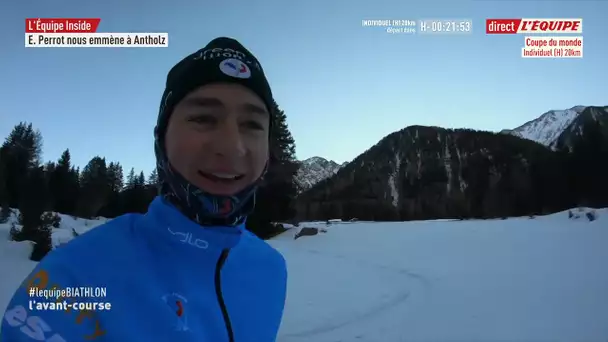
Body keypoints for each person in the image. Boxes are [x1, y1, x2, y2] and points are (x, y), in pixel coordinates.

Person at [1, 37, 288, 341]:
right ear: (161, 140)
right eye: (204, 118)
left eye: (253, 124)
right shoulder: (73, 277)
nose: (232, 147)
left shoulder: (270, 270)